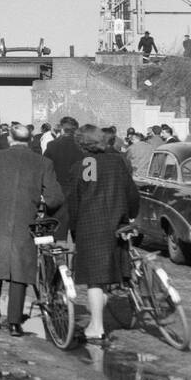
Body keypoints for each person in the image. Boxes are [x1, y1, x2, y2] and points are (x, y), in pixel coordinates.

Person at [0, 125, 65, 336]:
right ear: (30, 139)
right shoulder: (43, 162)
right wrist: (43, 205)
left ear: (10, 139)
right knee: (20, 269)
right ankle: (14, 322)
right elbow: (55, 198)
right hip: (26, 220)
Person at [68, 126, 141, 343]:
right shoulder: (118, 162)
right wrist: (130, 215)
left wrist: (73, 230)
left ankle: (96, 326)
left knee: (95, 280)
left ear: (82, 145)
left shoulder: (79, 166)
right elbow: (131, 193)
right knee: (112, 270)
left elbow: (74, 202)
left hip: (91, 227)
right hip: (117, 223)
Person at [43, 116, 84, 239]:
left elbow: (46, 168)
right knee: (79, 229)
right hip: (78, 191)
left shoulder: (52, 146)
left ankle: (59, 254)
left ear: (61, 129)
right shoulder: (83, 147)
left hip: (58, 190)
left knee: (58, 228)